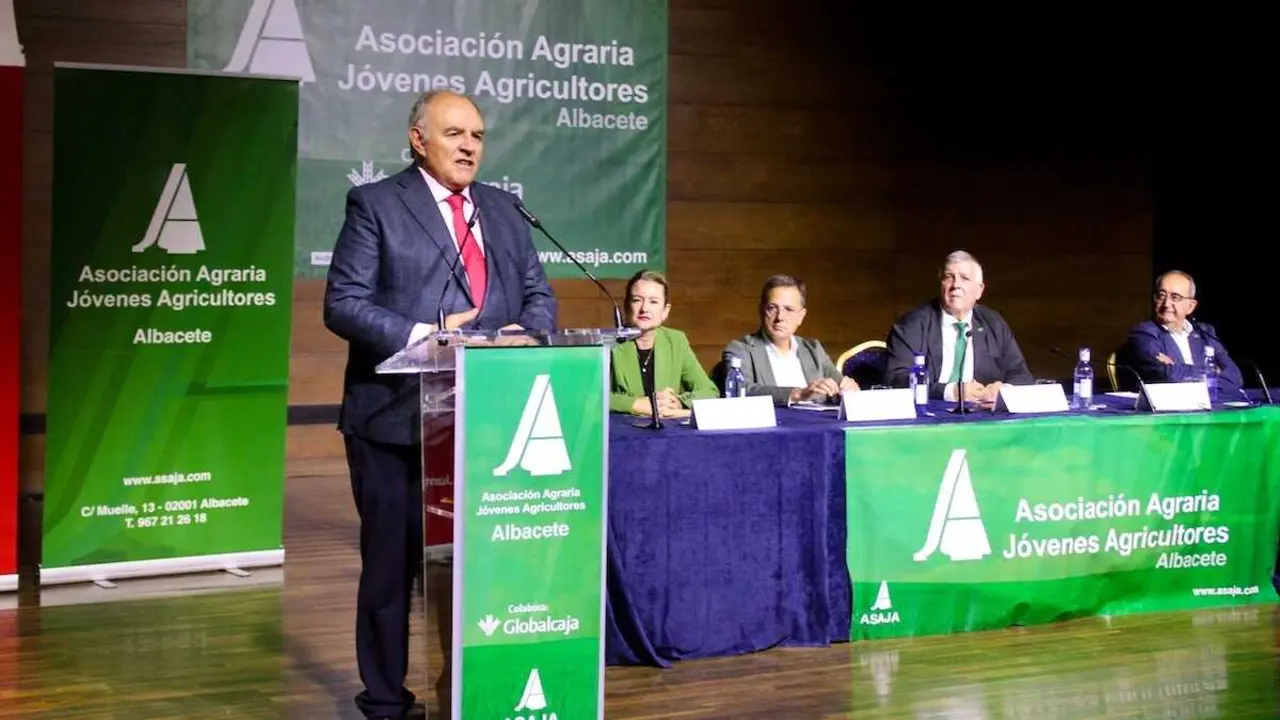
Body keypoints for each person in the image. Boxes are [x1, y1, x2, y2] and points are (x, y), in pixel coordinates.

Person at [322, 89, 556, 720]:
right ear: (418, 140)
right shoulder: (376, 204)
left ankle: (469, 690)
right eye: (454, 133)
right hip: (394, 420)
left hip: (485, 421)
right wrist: (430, 332)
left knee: (474, 570)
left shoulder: (504, 210)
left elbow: (539, 295)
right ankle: (385, 701)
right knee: (392, 574)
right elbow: (342, 303)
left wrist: (526, 331)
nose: (469, 146)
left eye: (477, 135)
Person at [884, 250, 1034, 405]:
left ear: (979, 290)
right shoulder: (912, 324)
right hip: (929, 414)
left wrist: (1004, 389)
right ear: (940, 284)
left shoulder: (993, 322)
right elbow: (895, 379)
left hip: (982, 413)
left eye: (965, 278)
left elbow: (1021, 374)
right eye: (948, 277)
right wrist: (951, 392)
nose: (956, 285)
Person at [722, 275, 858, 405]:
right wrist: (797, 394)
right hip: (771, 427)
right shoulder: (740, 349)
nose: (780, 317)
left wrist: (848, 390)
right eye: (772, 308)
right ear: (761, 311)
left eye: (789, 309)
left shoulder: (813, 349)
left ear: (801, 316)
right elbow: (741, 390)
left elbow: (839, 387)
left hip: (816, 425)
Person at [610, 269, 718, 417]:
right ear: (627, 306)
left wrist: (677, 402)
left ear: (665, 311)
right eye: (637, 300)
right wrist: (636, 404)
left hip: (667, 433)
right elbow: (590, 397)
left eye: (653, 301)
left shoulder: (676, 341)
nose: (644, 309)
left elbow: (709, 391)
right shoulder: (609, 345)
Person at [1117, 270, 1242, 396]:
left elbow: (1235, 378)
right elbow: (1167, 375)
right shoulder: (1144, 333)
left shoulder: (1205, 333)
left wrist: (1177, 367)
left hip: (1210, 407)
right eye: (1161, 296)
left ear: (1190, 306)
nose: (1166, 304)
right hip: (1166, 411)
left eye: (1175, 298)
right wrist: (1212, 373)